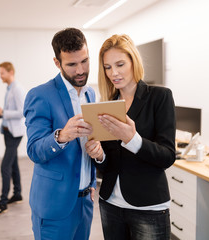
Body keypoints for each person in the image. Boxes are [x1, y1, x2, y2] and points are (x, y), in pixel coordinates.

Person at [90, 34, 176, 239]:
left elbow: (167, 156)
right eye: (108, 67)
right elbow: (107, 164)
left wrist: (133, 139)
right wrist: (99, 155)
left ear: (133, 61)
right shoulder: (106, 106)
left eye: (120, 64)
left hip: (148, 206)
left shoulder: (159, 97)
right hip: (110, 204)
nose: (114, 73)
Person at [23, 28, 102, 239]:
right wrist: (61, 136)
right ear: (57, 63)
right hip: (54, 206)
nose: (80, 70)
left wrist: (91, 182)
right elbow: (34, 150)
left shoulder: (91, 93)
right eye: (72, 64)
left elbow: (88, 147)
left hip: (85, 202)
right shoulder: (40, 95)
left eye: (84, 61)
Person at [0, 62, 26, 216]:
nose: (0, 76)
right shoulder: (9, 88)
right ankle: (17, 194)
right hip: (9, 132)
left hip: (15, 133)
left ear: (10, 72)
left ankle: (2, 203)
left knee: (5, 166)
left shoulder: (17, 89)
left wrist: (3, 112)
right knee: (13, 163)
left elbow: (22, 112)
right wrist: (1, 114)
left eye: (2, 73)